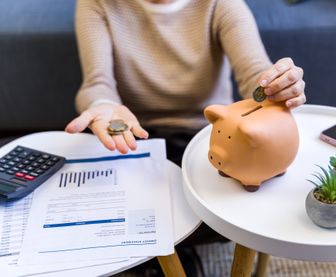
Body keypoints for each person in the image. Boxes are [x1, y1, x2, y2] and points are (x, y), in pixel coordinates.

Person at [65, 0, 306, 275]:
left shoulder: (220, 4)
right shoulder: (96, 4)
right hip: (135, 136)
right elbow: (97, 84)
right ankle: (170, 246)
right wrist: (101, 105)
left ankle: (154, 249)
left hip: (205, 136)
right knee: (87, 201)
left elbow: (254, 75)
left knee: (228, 208)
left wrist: (278, 85)